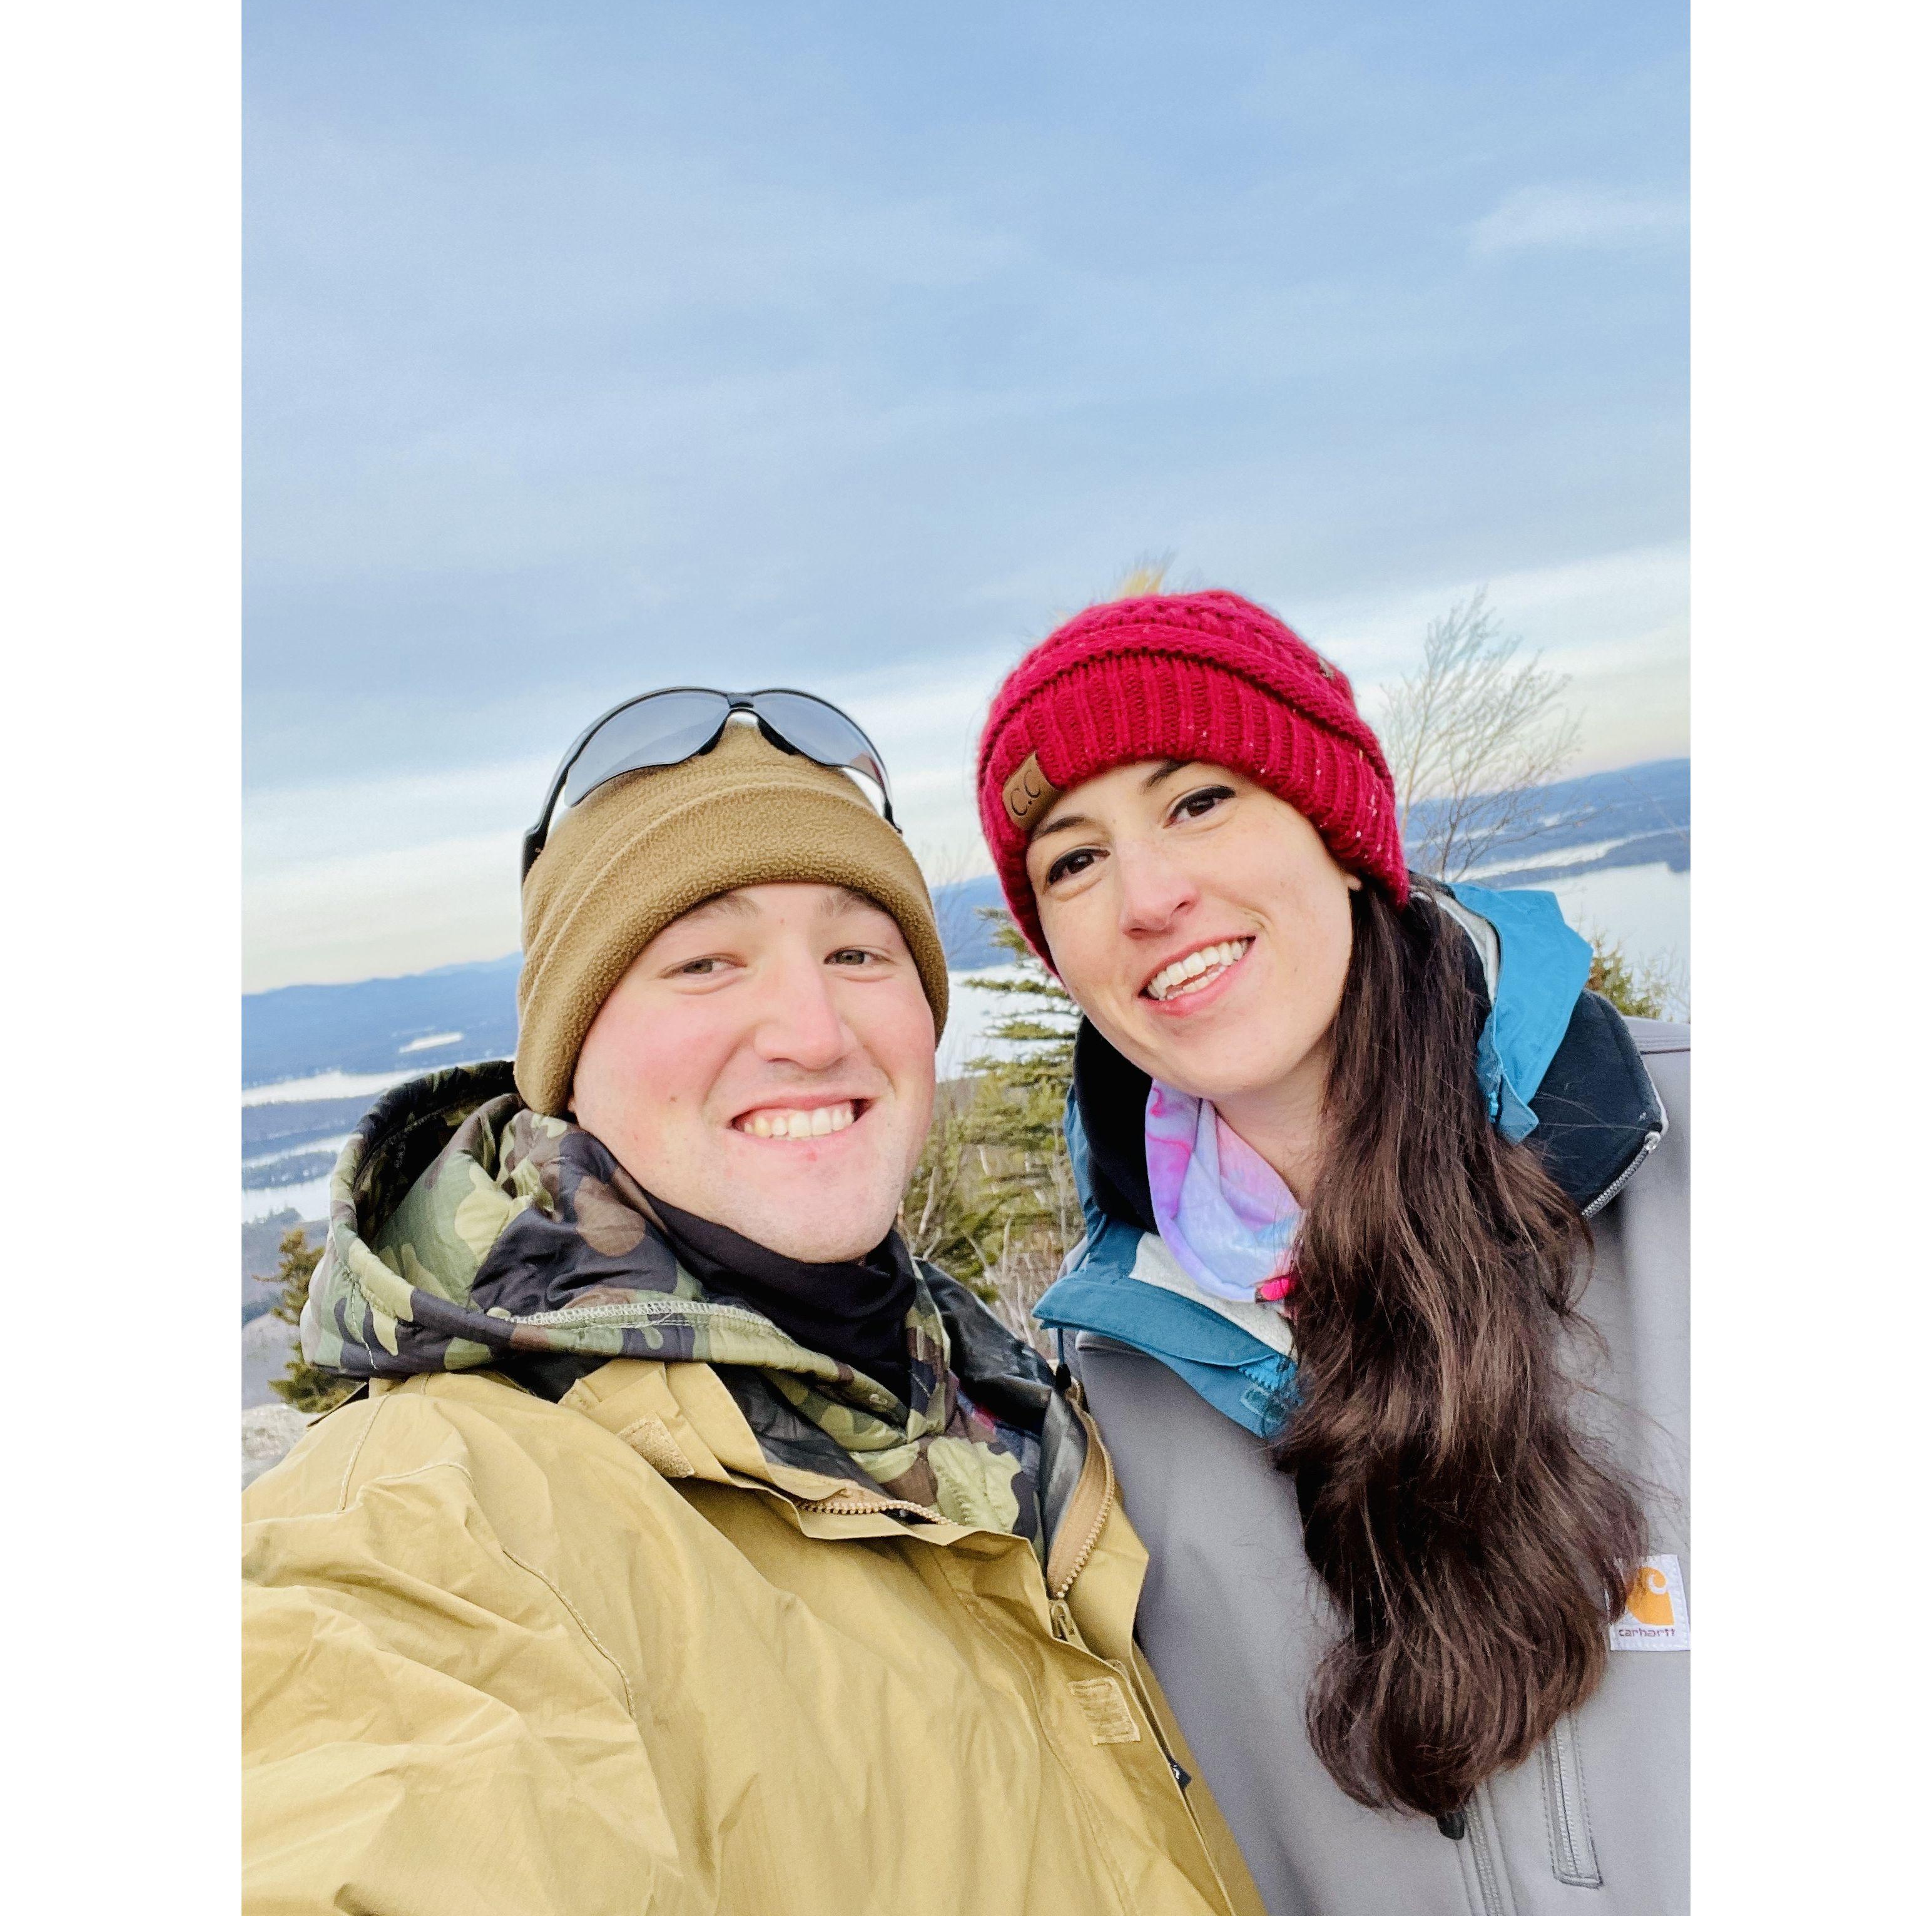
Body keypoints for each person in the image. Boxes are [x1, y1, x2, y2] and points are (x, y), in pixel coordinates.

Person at [242, 695, 1264, 1916]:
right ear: (569, 1059)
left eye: (855, 952)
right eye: (703, 963)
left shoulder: (1014, 1414)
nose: (808, 1027)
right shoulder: (438, 1512)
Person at [974, 591, 1689, 1916]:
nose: (1146, 895)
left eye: (1196, 799)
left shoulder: (1682, 1156)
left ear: (1340, 829)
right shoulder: (1103, 1376)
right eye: (1070, 860)